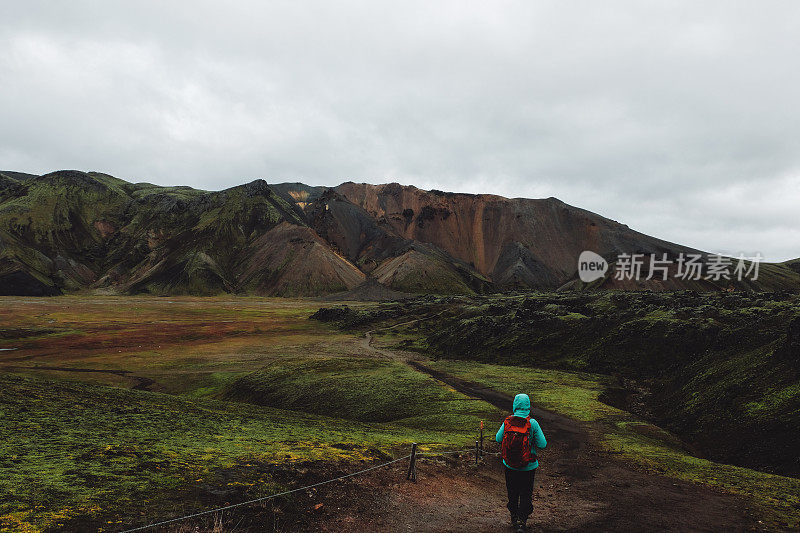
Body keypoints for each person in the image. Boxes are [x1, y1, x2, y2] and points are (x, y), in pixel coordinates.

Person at [495, 393, 547, 532]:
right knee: (525, 492)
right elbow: (542, 444)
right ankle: (521, 521)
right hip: (528, 467)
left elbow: (498, 439)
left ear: (515, 405)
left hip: (510, 465)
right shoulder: (533, 423)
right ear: (528, 405)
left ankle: (513, 516)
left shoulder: (508, 421)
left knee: (512, 491)